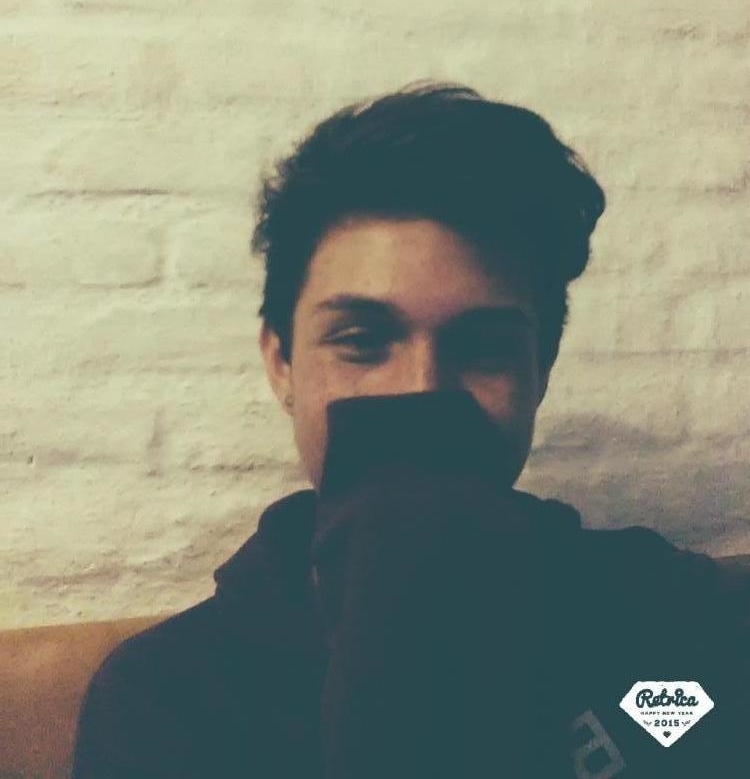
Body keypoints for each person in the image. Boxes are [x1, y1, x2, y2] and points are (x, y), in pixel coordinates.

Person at [71, 82, 748, 779]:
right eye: (362, 341)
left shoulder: (667, 621)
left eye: (484, 347)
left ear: (539, 372)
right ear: (281, 363)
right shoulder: (168, 701)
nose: (423, 390)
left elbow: (689, 718)